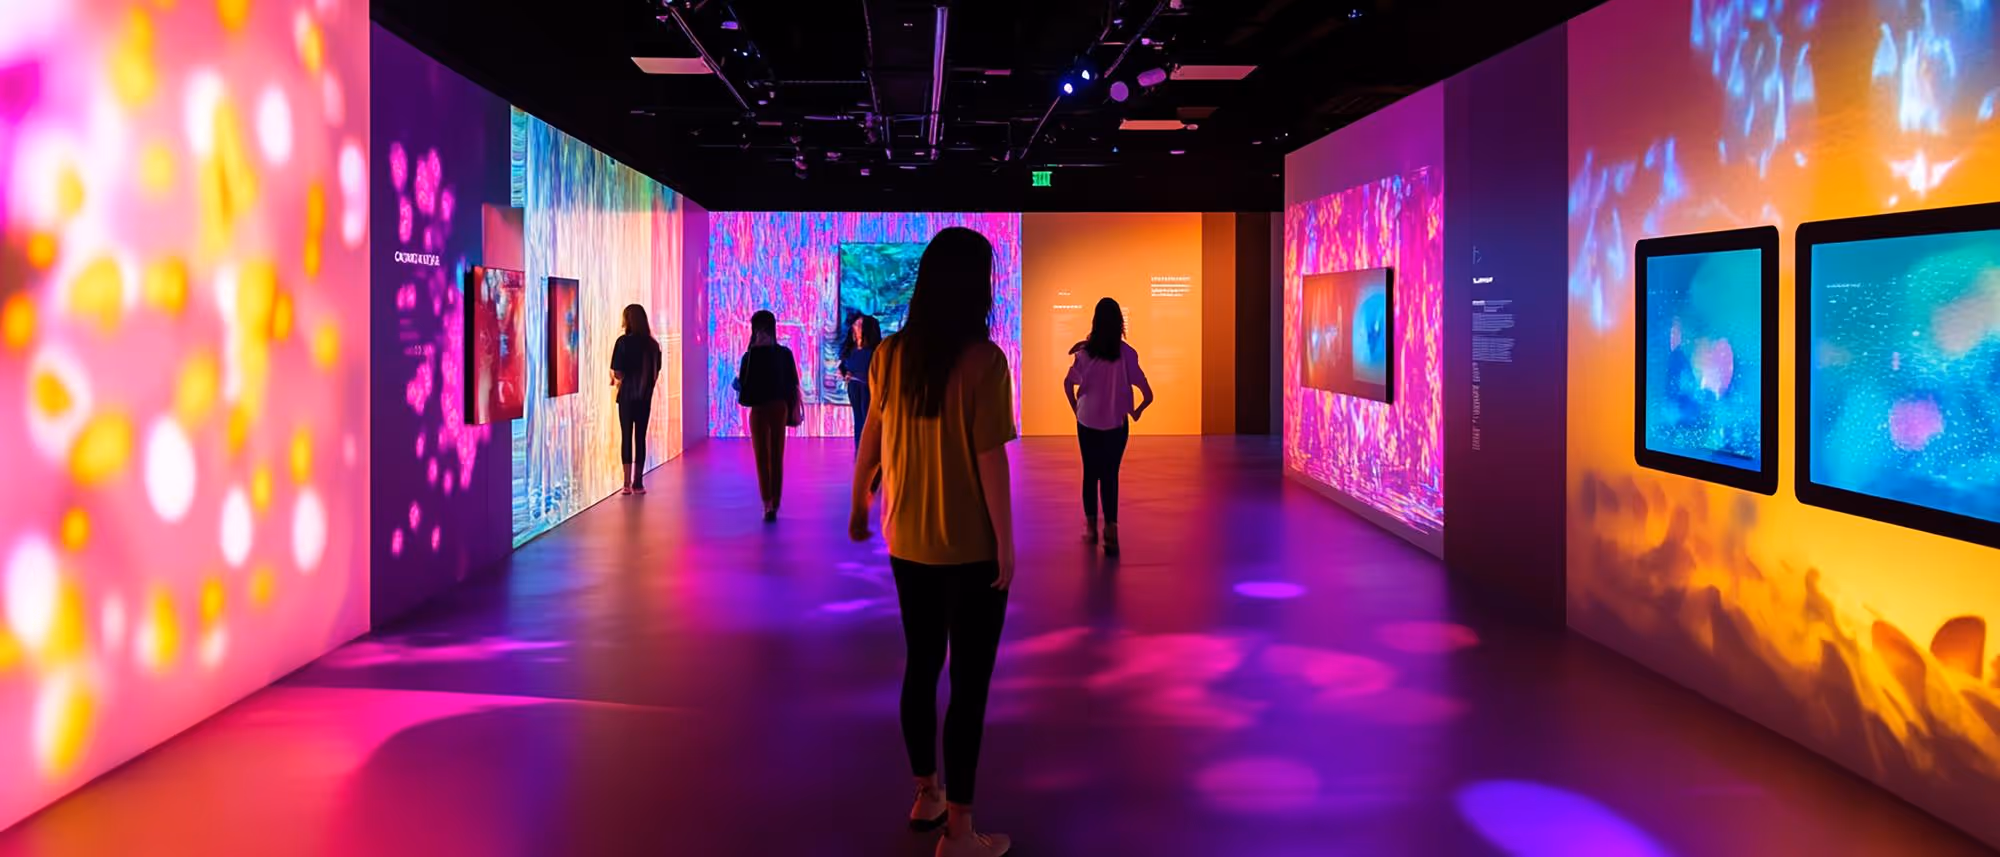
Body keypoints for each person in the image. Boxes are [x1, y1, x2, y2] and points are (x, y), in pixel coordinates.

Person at [851, 227, 1016, 857]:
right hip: (970, 549)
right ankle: (961, 833)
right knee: (968, 686)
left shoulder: (891, 354)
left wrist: (858, 497)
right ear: (976, 285)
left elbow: (873, 426)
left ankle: (927, 793)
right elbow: (989, 462)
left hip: (908, 544)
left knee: (921, 667)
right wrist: (1006, 543)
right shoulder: (984, 361)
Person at [1063, 297, 1153, 557]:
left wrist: (1075, 409)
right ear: (1119, 323)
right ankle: (1111, 533)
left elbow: (1067, 384)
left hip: (1087, 422)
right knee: (1110, 474)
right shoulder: (1127, 354)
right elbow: (1148, 394)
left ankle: (1091, 528)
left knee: (1090, 473)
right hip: (1116, 424)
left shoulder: (1085, 355)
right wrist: (1136, 411)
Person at [736, 310, 800, 521]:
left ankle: (768, 503)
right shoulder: (782, 354)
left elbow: (742, 385)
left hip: (761, 409)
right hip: (778, 407)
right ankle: (773, 500)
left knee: (763, 456)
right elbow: (792, 383)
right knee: (775, 455)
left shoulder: (750, 355)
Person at [609, 304, 662, 496]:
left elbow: (618, 372)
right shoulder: (653, 345)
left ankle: (626, 483)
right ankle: (638, 483)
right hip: (644, 398)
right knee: (640, 437)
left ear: (628, 319)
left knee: (626, 437)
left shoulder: (622, 342)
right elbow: (656, 372)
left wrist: (621, 378)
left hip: (626, 398)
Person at [839, 314, 884, 446]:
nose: (855, 327)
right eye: (855, 324)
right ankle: (859, 447)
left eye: (859, 325)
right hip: (854, 387)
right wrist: (845, 373)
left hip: (867, 388)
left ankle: (869, 447)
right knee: (858, 418)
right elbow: (844, 366)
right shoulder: (851, 349)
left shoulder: (874, 351)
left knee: (867, 418)